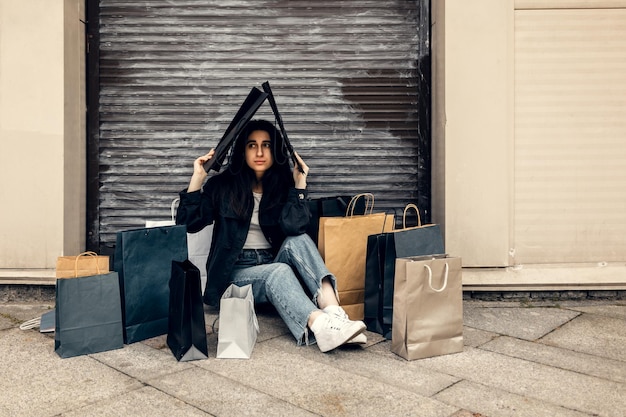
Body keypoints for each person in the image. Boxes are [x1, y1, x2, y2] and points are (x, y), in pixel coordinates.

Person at [176, 119, 366, 352]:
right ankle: (321, 326)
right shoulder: (222, 186)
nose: (259, 152)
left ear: (274, 151)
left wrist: (299, 186)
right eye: (251, 145)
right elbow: (189, 223)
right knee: (278, 271)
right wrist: (198, 177)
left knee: (300, 240)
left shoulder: (283, 185)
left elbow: (295, 228)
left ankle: (336, 314)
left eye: (266, 145)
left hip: (273, 263)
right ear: (242, 150)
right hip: (234, 275)